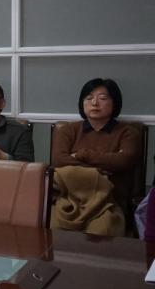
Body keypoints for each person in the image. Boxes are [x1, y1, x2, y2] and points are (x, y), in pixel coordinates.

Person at [51, 78, 142, 217]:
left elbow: (123, 160)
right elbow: (59, 160)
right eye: (89, 98)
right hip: (69, 200)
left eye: (102, 98)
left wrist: (82, 155)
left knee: (104, 227)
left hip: (109, 203)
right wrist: (99, 172)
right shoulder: (67, 130)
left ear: (115, 103)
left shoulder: (128, 133)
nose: (94, 103)